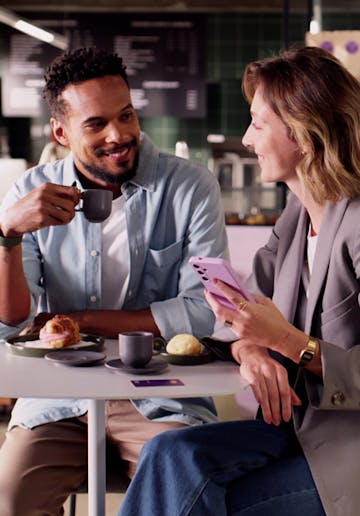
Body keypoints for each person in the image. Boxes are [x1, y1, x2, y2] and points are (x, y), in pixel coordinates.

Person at [118, 45, 360, 516]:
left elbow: (282, 334)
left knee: (202, 501)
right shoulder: (294, 220)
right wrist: (249, 346)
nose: (246, 139)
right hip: (297, 433)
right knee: (168, 453)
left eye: (257, 123)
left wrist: (291, 344)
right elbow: (249, 317)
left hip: (347, 446)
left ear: (305, 134)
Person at [0, 47, 228, 516]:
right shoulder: (29, 191)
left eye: (126, 115)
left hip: (162, 395)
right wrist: (7, 234)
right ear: (61, 133)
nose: (119, 135)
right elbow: (13, 323)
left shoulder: (190, 187)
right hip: (56, 396)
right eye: (96, 124)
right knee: (9, 498)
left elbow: (204, 310)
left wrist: (79, 322)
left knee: (184, 493)